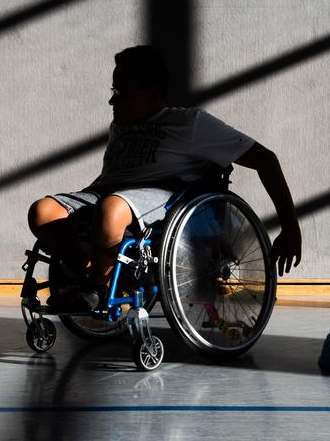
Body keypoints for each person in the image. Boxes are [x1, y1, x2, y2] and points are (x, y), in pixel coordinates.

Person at [27, 45, 302, 311]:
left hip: (160, 195)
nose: (113, 100)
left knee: (112, 207)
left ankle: (97, 288)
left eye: (121, 92)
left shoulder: (190, 124)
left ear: (153, 93)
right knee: (41, 211)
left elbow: (266, 160)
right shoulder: (120, 124)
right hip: (105, 193)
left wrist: (290, 229)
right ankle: (90, 274)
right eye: (113, 90)